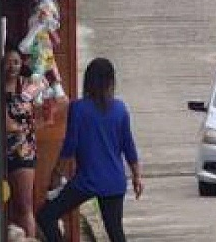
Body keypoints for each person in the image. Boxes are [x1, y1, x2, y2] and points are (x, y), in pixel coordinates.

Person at [37, 58, 143, 242]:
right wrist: (136, 176)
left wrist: (56, 174)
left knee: (46, 216)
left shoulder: (79, 108)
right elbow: (129, 146)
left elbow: (70, 147)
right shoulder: (120, 109)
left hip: (86, 180)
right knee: (115, 231)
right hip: (114, 181)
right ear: (111, 81)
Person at [3, 48, 37, 238]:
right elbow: (5, 124)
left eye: (16, 62)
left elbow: (57, 102)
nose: (12, 67)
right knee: (7, 205)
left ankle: (30, 239)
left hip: (24, 152)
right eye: (8, 62)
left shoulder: (27, 86)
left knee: (24, 205)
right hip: (0, 152)